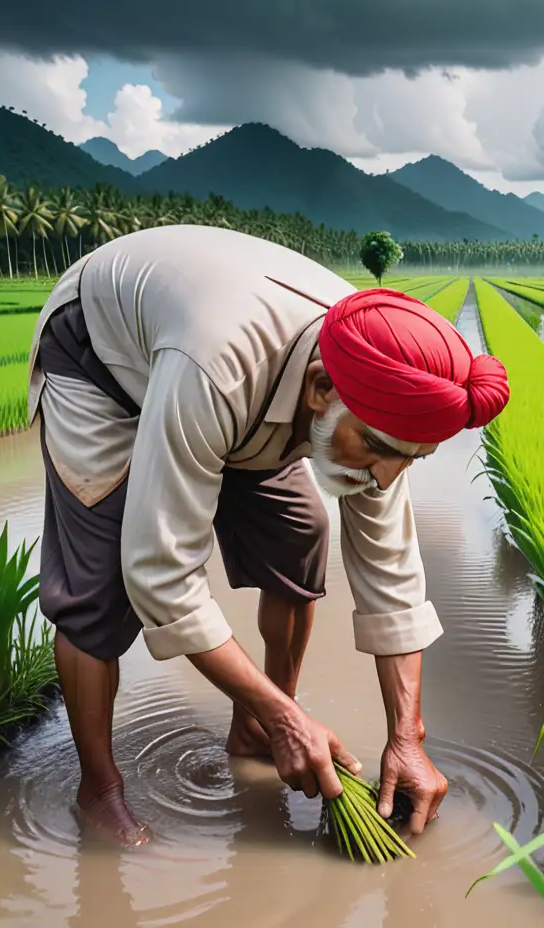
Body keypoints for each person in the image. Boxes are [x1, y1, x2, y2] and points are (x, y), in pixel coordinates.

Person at [26, 224, 510, 846]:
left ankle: (255, 726)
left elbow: (392, 578)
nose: (387, 474)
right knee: (99, 589)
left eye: (409, 460)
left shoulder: (378, 387)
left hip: (237, 386)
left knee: (299, 531)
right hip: (103, 365)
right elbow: (161, 574)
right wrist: (291, 718)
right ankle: (100, 788)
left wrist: (406, 739)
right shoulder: (221, 366)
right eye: (377, 449)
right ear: (319, 391)